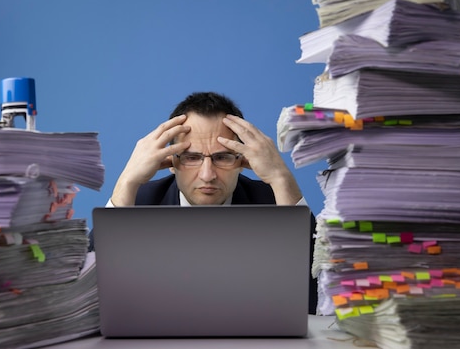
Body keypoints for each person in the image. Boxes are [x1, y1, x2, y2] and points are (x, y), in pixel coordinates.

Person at [91, 92, 317, 313]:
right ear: (170, 160)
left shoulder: (277, 205)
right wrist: (127, 182)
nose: (207, 175)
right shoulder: (134, 206)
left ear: (242, 160)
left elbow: (318, 295)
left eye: (222, 157)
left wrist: (281, 178)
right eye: (191, 157)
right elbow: (89, 300)